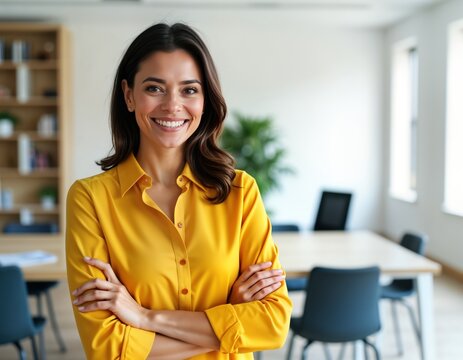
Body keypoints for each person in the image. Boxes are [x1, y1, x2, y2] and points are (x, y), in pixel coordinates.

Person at [66, 22, 292, 360]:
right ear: (129, 95)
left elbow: (273, 324)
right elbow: (108, 348)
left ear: (205, 99)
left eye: (189, 90)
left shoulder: (240, 192)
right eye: (155, 88)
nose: (172, 106)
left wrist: (143, 318)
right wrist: (231, 320)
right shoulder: (90, 200)